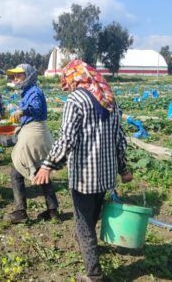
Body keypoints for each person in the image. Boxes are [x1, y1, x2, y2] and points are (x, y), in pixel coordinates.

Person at [34, 60, 133, 282]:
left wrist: (48, 165)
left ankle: (94, 275)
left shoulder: (76, 99)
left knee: (84, 224)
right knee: (91, 216)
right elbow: (119, 138)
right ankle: (85, 243)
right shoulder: (108, 98)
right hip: (106, 175)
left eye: (67, 80)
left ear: (74, 77)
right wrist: (124, 169)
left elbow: (67, 139)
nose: (67, 85)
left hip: (84, 176)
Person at [4, 64, 59, 224]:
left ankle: (20, 211)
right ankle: (53, 211)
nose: (16, 79)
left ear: (28, 75)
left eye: (19, 75)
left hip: (33, 134)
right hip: (38, 133)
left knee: (16, 171)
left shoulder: (34, 91)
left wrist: (22, 111)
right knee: (41, 171)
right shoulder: (28, 91)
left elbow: (35, 107)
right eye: (14, 76)